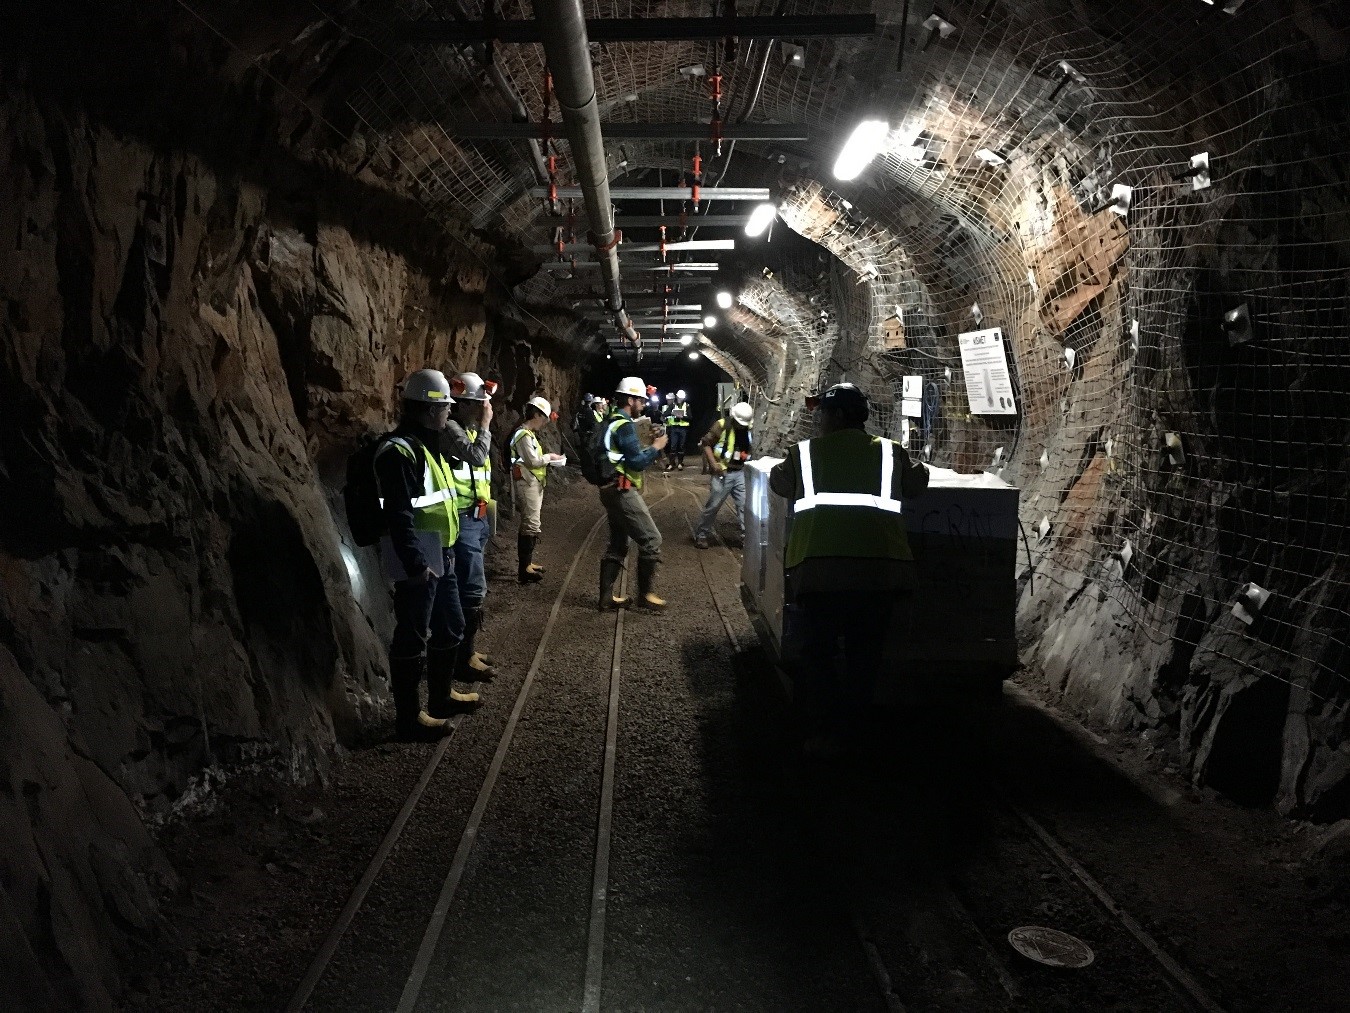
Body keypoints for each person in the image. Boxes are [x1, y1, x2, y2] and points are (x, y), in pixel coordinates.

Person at [768, 382, 929, 757]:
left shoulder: (805, 454)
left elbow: (779, 483)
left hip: (820, 571)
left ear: (837, 415)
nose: (818, 418)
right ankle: (857, 734)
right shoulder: (891, 453)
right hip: (880, 573)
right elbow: (917, 486)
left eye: (822, 411)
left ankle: (823, 733)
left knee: (819, 655)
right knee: (865, 656)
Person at [374, 369, 481, 742]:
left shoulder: (426, 445)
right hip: (420, 559)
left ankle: (440, 697)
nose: (449, 414)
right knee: (413, 635)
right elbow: (399, 514)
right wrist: (416, 563)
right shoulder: (399, 452)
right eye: (445, 408)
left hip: (443, 553)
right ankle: (409, 718)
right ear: (428, 409)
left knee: (451, 626)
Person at [598, 376, 669, 611]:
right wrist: (656, 448)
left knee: (618, 543)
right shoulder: (625, 425)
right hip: (621, 490)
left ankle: (606, 597)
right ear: (630, 399)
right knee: (651, 539)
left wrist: (648, 439)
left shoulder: (612, 421)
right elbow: (637, 462)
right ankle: (645, 595)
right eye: (640, 399)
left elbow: (627, 450)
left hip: (609, 488)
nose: (643, 403)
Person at [511, 395, 563, 583]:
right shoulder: (523, 435)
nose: (545, 422)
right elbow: (532, 461)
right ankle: (524, 570)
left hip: (533, 481)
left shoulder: (529, 434)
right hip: (527, 482)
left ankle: (528, 563)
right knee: (530, 524)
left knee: (532, 524)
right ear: (535, 413)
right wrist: (550, 457)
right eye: (544, 417)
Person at [694, 400, 754, 549]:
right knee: (713, 505)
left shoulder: (747, 427)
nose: (742, 425)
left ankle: (747, 537)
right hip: (723, 472)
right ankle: (702, 535)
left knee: (744, 506)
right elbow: (705, 443)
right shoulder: (721, 425)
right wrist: (713, 464)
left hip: (739, 471)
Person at [662, 391, 692, 470]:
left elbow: (690, 417)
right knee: (673, 446)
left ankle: (680, 463)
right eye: (679, 397)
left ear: (684, 398)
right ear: (677, 397)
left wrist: (682, 417)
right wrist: (672, 413)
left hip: (683, 429)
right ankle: (671, 464)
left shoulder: (687, 406)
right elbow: (665, 414)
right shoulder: (673, 405)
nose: (680, 399)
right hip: (674, 428)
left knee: (681, 446)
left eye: (681, 398)